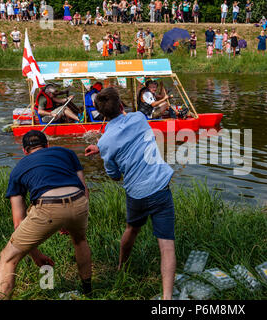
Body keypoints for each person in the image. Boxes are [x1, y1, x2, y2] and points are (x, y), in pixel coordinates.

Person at [84, 87, 176, 300]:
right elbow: (130, 135)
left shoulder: (105, 140)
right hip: (160, 186)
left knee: (132, 229)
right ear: (121, 105)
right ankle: (167, 300)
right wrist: (105, 147)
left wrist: (102, 149)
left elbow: (115, 175)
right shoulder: (139, 118)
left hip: (137, 193)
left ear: (103, 114)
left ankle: (120, 267)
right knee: (167, 245)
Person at [0, 130, 92, 300]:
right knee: (80, 240)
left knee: (7, 258)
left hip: (48, 206)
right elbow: (84, 189)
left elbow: (18, 222)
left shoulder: (18, 169)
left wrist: (36, 255)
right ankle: (88, 291)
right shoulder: (67, 153)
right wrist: (69, 217)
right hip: (78, 201)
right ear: (47, 145)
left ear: (24, 151)